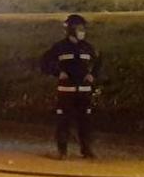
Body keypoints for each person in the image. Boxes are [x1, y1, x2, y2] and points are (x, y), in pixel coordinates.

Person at [41, 14, 101, 159]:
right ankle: (62, 151)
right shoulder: (60, 47)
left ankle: (86, 150)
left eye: (83, 28)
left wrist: (93, 74)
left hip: (84, 92)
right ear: (71, 30)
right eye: (79, 28)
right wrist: (57, 73)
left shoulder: (88, 48)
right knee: (63, 121)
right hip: (66, 92)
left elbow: (99, 63)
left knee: (85, 122)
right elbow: (44, 63)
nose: (82, 31)